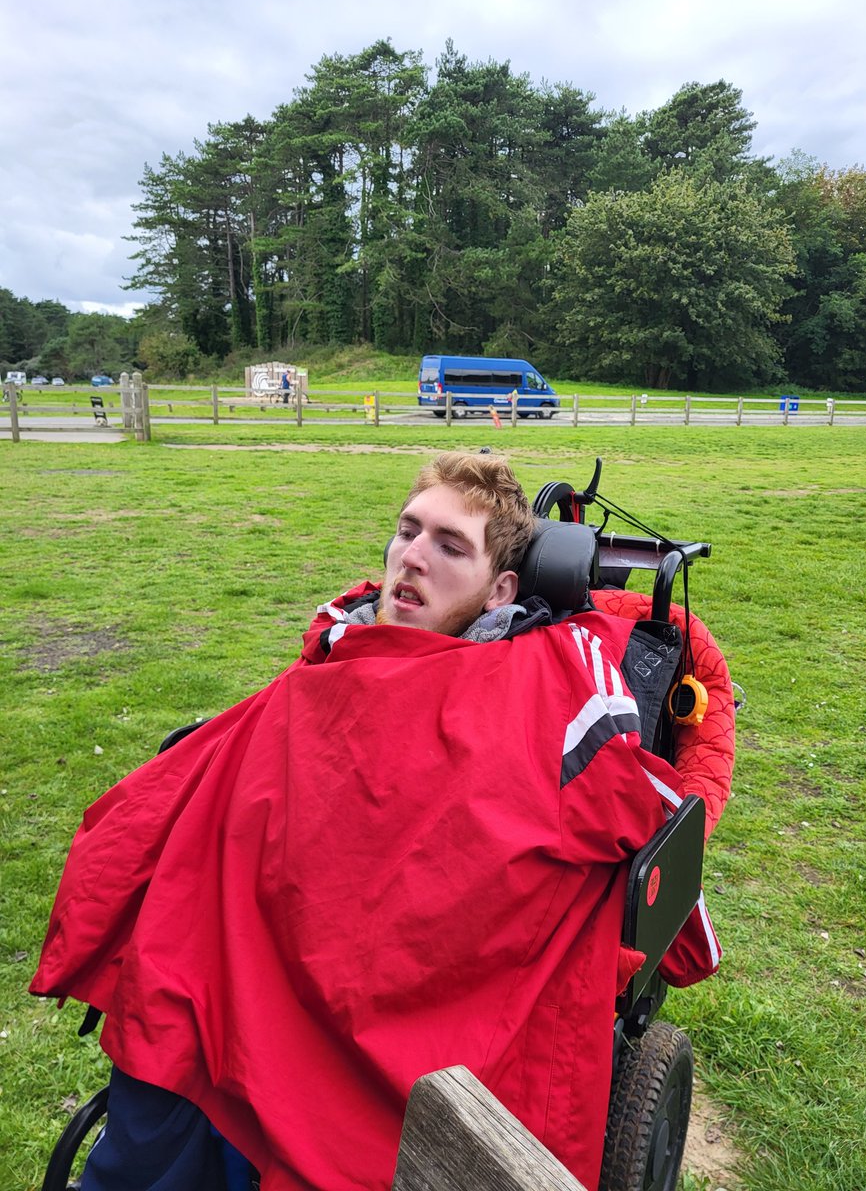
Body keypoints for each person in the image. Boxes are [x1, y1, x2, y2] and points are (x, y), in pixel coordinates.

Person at [32, 453, 719, 1191]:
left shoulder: (553, 684)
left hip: (391, 1020)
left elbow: (650, 817)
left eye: (450, 546)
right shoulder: (334, 653)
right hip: (229, 975)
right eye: (407, 532)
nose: (413, 557)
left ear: (501, 591)